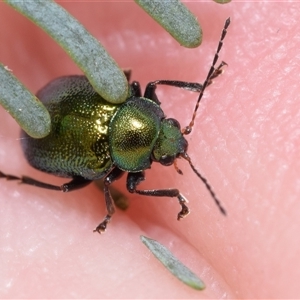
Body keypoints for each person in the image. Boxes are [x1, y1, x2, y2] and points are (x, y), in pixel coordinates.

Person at [0, 2, 299, 298]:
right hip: (47, 123)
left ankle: (23, 181)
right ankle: (21, 181)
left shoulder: (128, 113)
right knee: (78, 186)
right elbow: (118, 183)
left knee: (92, 179)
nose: (176, 141)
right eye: (167, 154)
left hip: (50, 108)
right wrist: (171, 195)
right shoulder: (117, 158)